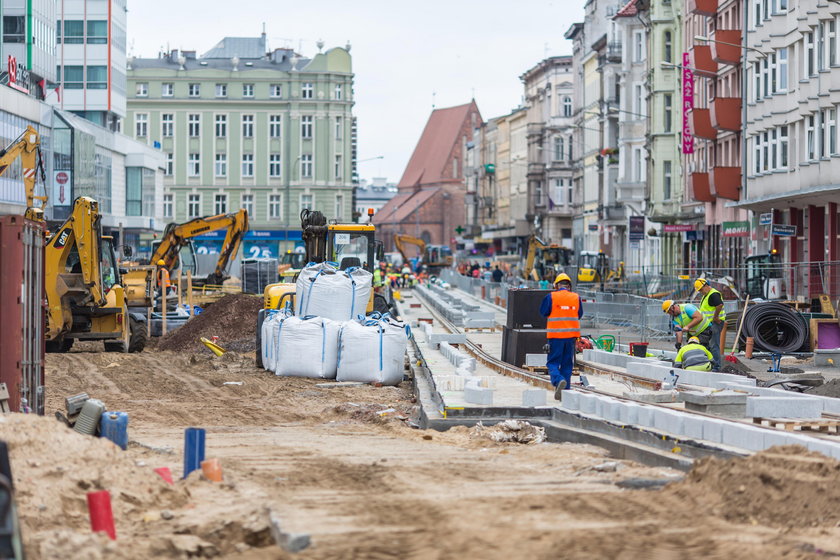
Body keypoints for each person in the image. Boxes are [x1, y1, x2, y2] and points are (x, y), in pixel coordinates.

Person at [540, 273, 583, 400]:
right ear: (569, 286)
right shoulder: (576, 297)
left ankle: (558, 380)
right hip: (571, 337)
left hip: (556, 336)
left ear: (557, 285)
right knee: (567, 364)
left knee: (552, 363)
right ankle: (565, 394)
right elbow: (579, 314)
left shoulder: (551, 296)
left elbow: (543, 312)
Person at [695, 278, 725, 371]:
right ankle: (711, 364)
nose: (700, 291)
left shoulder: (713, 294)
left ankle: (716, 366)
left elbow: (719, 305)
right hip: (708, 324)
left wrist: (715, 317)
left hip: (715, 323)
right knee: (707, 345)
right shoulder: (707, 295)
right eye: (699, 290)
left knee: (713, 345)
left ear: (706, 285)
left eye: (701, 289)